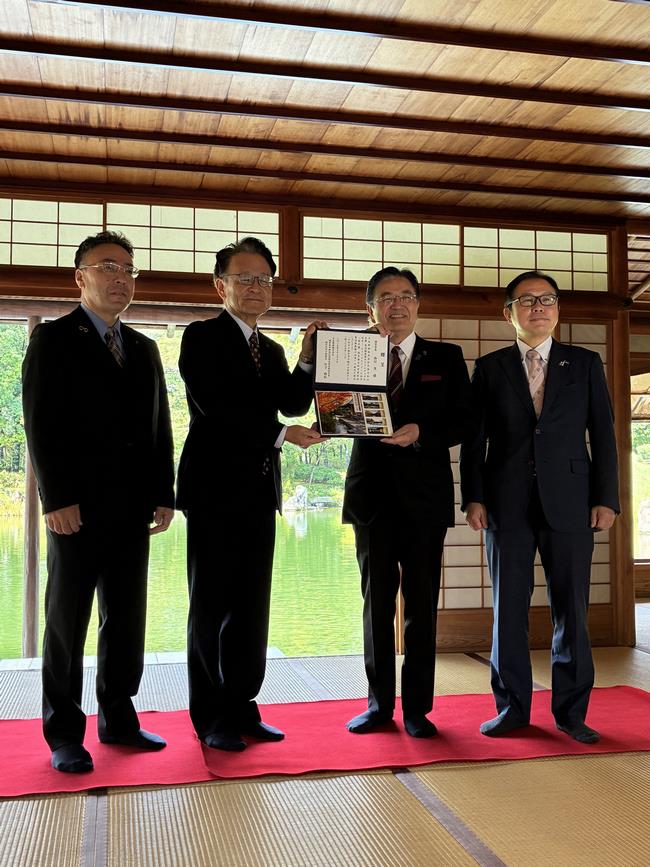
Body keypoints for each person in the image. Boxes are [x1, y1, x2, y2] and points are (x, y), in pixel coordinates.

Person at [22, 231, 175, 774]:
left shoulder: (144, 347)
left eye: (130, 270)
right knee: (67, 620)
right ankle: (64, 731)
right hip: (76, 509)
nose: (121, 278)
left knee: (126, 617)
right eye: (108, 267)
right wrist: (55, 498)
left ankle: (118, 716)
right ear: (80, 277)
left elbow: (160, 427)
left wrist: (164, 493)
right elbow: (40, 424)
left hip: (134, 508)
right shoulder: (54, 339)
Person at [176, 236, 325, 752]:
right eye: (245, 278)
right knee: (211, 606)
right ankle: (210, 716)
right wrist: (283, 435)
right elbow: (215, 408)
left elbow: (289, 400)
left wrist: (308, 360)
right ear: (222, 286)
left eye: (264, 279)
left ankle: (243, 705)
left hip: (261, 491)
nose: (257, 287)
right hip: (214, 493)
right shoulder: (201, 337)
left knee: (251, 606)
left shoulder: (274, 348)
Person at [460, 270, 619, 744]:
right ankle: (511, 709)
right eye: (526, 301)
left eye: (547, 299)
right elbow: (474, 442)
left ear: (558, 309)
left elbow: (605, 437)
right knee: (508, 609)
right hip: (505, 503)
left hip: (571, 502)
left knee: (571, 608)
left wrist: (606, 499)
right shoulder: (490, 367)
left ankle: (572, 713)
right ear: (508, 312)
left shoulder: (585, 363)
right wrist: (473, 496)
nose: (538, 307)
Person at [343, 266, 473, 737]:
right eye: (385, 297)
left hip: (425, 498)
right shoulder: (351, 353)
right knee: (375, 605)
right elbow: (330, 405)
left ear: (418, 304)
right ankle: (379, 706)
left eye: (405, 296)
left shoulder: (446, 355)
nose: (396, 304)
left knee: (421, 605)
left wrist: (422, 433)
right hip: (371, 495)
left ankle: (418, 709)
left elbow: (465, 421)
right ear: (370, 306)